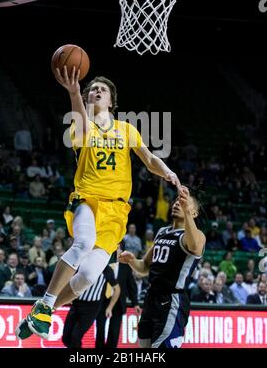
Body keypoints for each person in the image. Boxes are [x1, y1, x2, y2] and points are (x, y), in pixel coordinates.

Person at [15, 68, 181, 340]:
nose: (96, 91)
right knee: (82, 244)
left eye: (101, 89)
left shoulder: (126, 129)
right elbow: (79, 124)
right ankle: (45, 303)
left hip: (116, 211)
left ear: (112, 101)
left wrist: (168, 172)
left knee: (89, 276)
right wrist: (73, 93)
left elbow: (150, 159)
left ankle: (42, 310)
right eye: (92, 89)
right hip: (88, 199)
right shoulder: (83, 126)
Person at [118, 186, 205, 348]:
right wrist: (132, 260)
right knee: (144, 346)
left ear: (193, 213)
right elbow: (144, 267)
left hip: (172, 299)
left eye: (184, 202)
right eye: (178, 201)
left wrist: (186, 211)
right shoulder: (162, 231)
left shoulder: (197, 235)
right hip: (152, 298)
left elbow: (194, 246)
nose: (179, 203)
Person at [61, 264, 120, 348]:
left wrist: (110, 307)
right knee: (66, 338)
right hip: (76, 304)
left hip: (92, 308)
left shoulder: (106, 270)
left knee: (75, 336)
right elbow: (70, 278)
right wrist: (68, 295)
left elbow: (117, 289)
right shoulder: (84, 264)